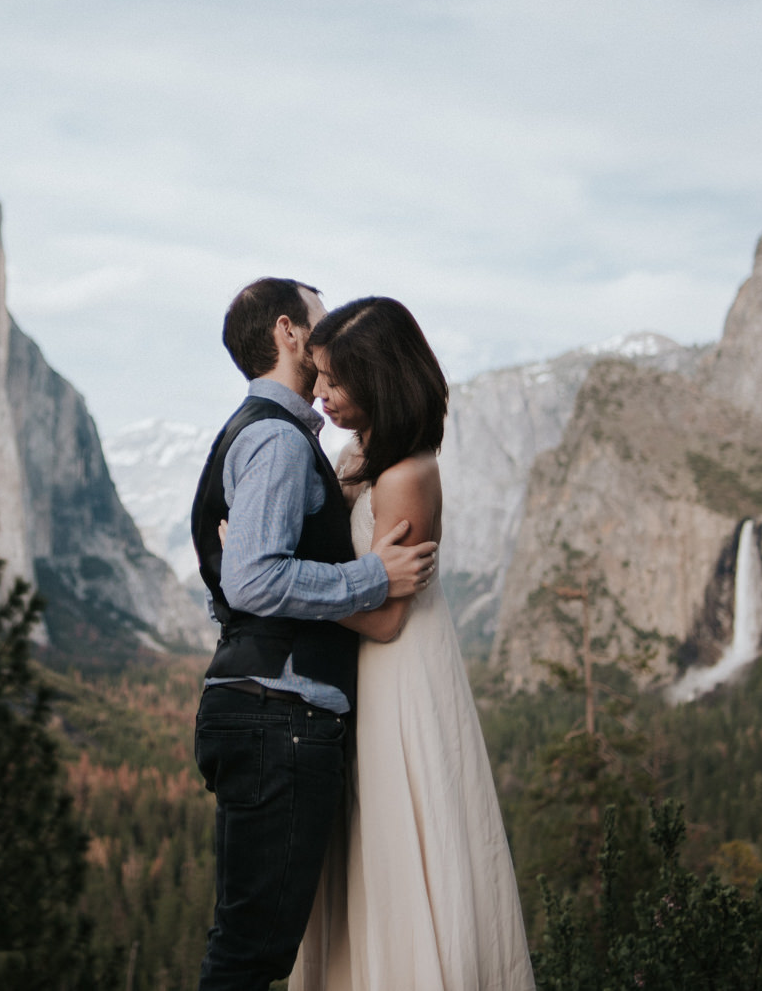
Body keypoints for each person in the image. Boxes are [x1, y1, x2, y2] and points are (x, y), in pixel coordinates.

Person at [191, 278, 439, 991]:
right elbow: (255, 581)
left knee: (250, 945)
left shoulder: (255, 434)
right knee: (251, 955)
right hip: (280, 715)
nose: (331, 341)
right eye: (321, 323)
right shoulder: (274, 440)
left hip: (265, 711)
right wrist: (373, 578)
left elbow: (242, 581)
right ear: (289, 332)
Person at [290, 297, 533, 991]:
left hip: (398, 676)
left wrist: (283, 591)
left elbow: (388, 619)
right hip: (365, 675)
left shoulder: (407, 474)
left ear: (382, 377)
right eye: (321, 378)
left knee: (399, 839)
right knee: (369, 851)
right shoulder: (361, 454)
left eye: (337, 380)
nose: (324, 395)